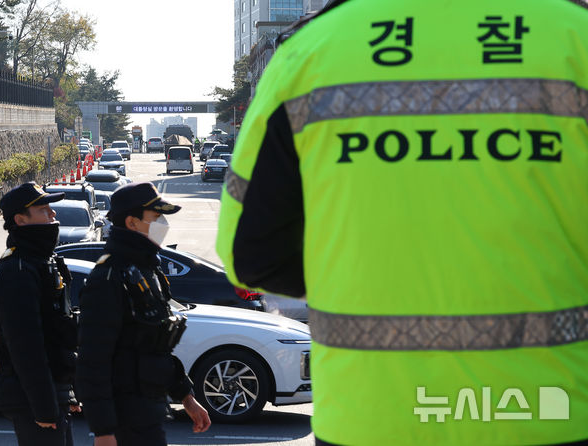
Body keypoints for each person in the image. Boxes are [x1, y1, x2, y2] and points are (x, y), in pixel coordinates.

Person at [216, 0, 588, 445]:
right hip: (553, 411)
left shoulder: (310, 52)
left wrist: (360, 272)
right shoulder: (573, 38)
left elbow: (249, 257)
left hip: (371, 417)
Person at [76, 182, 211, 446]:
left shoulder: (146, 271)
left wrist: (186, 396)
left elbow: (156, 347)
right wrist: (103, 430)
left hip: (149, 409)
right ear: (132, 222)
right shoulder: (109, 277)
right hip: (124, 418)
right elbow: (93, 360)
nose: (163, 224)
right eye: (156, 217)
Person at [0, 182, 80, 446]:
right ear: (20, 219)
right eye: (43, 209)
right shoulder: (17, 270)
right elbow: (25, 347)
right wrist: (44, 406)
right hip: (34, 398)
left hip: (53, 390)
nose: (52, 215)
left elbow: (58, 332)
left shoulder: (41, 262)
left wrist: (68, 392)